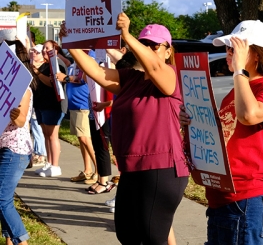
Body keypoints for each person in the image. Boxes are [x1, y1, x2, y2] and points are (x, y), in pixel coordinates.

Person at [67, 13, 189, 244]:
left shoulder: (170, 75)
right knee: (127, 234)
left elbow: (153, 68)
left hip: (161, 168)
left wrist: (127, 35)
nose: (148, 48)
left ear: (168, 50)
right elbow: (97, 72)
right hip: (131, 167)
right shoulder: (131, 78)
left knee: (153, 238)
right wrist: (71, 44)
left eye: (154, 45)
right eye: (144, 44)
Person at [180, 20, 263, 245]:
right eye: (227, 48)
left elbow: (249, 115)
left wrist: (240, 70)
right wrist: (191, 122)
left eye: (235, 48)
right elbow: (225, 135)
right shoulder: (236, 91)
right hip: (223, 199)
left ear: (256, 55)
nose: (228, 53)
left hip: (248, 200)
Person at [0, 40, 39, 245]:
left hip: (14, 150)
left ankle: (21, 241)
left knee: (1, 199)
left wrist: (15, 114)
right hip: (4, 147)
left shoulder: (23, 90)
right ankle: (10, 240)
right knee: (5, 199)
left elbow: (22, 120)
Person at [56, 51, 99, 184]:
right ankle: (87, 170)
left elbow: (84, 77)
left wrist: (66, 78)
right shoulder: (76, 57)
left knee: (86, 138)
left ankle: (99, 171)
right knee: (81, 139)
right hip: (75, 104)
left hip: (83, 104)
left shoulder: (89, 56)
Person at [33, 40, 68, 177]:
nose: (44, 51)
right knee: (46, 135)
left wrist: (37, 72)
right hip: (41, 103)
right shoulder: (45, 65)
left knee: (53, 135)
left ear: (55, 50)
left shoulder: (57, 64)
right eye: (43, 49)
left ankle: (55, 165)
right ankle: (49, 162)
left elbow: (51, 82)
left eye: (47, 48)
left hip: (53, 105)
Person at [29, 44, 47, 166]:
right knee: (35, 127)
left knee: (38, 127)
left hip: (40, 101)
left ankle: (41, 154)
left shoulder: (43, 68)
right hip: (34, 101)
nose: (34, 53)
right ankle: (38, 152)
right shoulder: (33, 66)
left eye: (37, 52)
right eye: (33, 51)